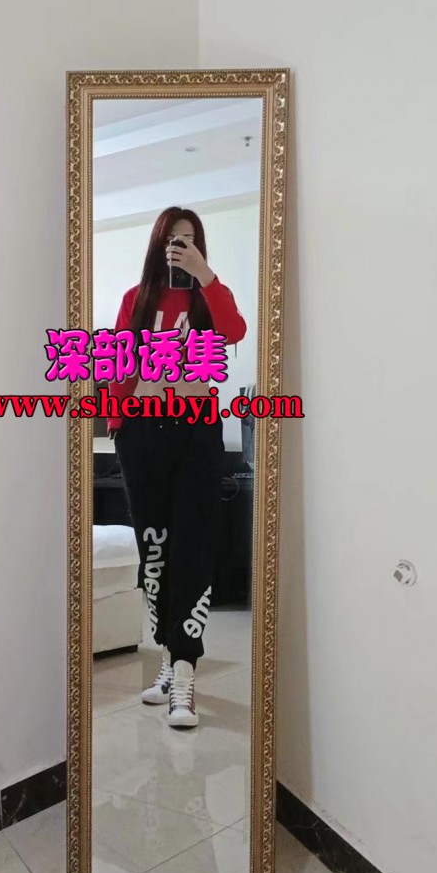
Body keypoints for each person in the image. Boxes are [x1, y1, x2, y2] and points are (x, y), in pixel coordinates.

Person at [107, 207, 247, 729]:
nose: (180, 247)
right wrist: (118, 423)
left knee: (195, 545)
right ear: (157, 244)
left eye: (189, 240)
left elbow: (235, 331)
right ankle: (169, 658)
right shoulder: (136, 299)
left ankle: (185, 670)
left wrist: (206, 275)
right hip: (142, 432)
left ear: (200, 246)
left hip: (196, 430)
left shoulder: (208, 298)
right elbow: (118, 365)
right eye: (172, 239)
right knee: (156, 549)